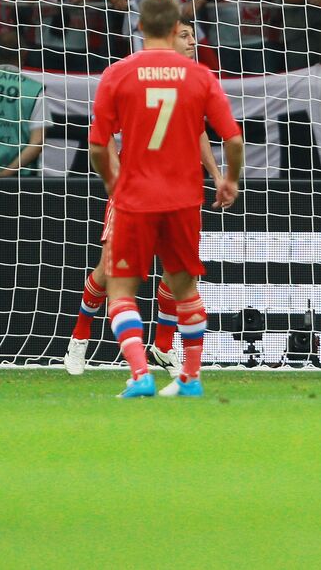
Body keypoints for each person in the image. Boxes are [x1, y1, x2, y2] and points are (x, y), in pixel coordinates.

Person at [86, 0, 243, 398]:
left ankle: (140, 374)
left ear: (140, 28)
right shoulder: (199, 75)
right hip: (183, 199)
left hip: (135, 197)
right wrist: (229, 178)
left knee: (121, 290)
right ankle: (190, 378)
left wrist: (111, 183)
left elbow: (99, 146)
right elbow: (233, 137)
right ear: (176, 29)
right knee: (185, 288)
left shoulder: (117, 74)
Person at [63, 21, 219, 375]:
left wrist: (216, 174)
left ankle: (162, 347)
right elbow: (105, 136)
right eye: (184, 35)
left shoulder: (192, 80)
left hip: (178, 192)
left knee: (178, 272)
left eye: (194, 36)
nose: (193, 41)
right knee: (108, 270)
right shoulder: (128, 76)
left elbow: (198, 132)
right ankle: (79, 337)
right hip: (135, 192)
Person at [0, 40, 47, 178]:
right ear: (24, 54)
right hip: (20, 182)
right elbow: (37, 142)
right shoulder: (34, 89)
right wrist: (4, 174)